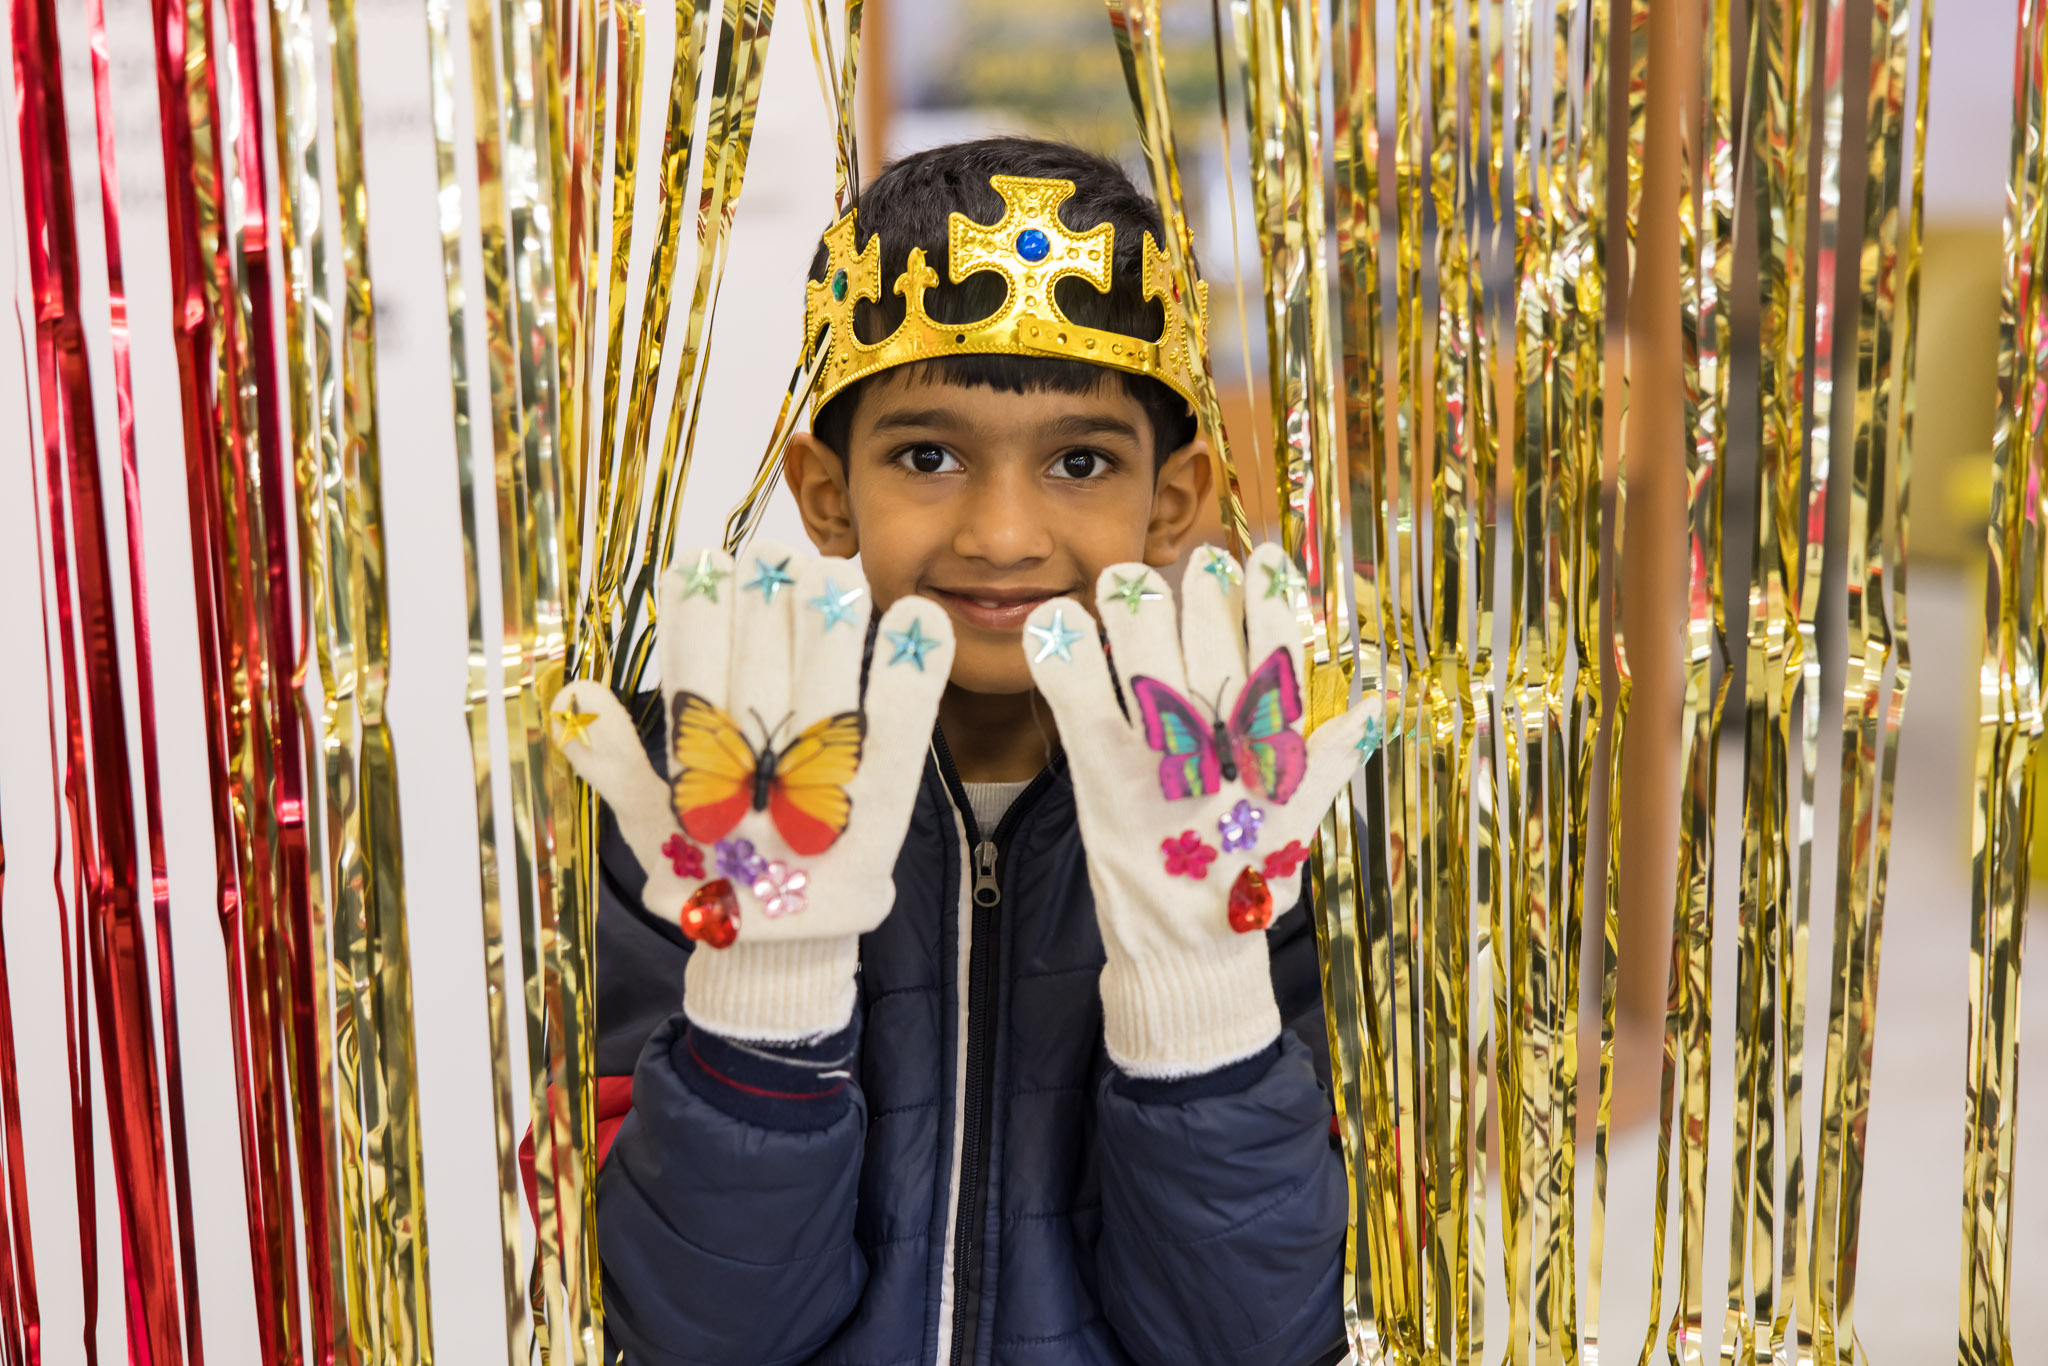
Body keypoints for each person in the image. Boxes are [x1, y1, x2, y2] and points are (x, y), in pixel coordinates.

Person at [545, 136, 1371, 1366]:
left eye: (1078, 462)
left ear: (1173, 496)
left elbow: (1245, 1340)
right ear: (825, 493)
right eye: (926, 457)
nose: (998, 533)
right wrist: (762, 1000)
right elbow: (698, 1332)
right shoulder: (685, 804)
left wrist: (1200, 1003)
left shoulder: (1275, 815)